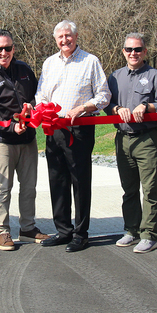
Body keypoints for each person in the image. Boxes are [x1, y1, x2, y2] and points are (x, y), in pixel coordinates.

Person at [36, 20, 110, 253]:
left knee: (79, 181)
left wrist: (83, 108)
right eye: (60, 37)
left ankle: (80, 233)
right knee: (57, 180)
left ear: (76, 37)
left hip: (79, 130)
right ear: (55, 39)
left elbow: (104, 95)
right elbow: (41, 94)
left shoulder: (90, 61)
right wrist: (42, 109)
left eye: (68, 36)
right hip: (53, 129)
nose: (64, 40)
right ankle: (63, 230)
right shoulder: (49, 63)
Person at [0, 30, 49, 252]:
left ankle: (27, 228)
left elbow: (38, 95)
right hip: (2, 142)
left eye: (8, 48)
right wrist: (8, 124)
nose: (4, 52)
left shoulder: (25, 70)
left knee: (29, 187)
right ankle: (3, 231)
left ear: (14, 48)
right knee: (3, 189)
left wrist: (31, 107)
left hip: (28, 140)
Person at [105, 32, 157, 254]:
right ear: (123, 51)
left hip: (146, 139)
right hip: (123, 139)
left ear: (145, 51)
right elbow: (106, 103)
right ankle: (131, 230)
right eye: (129, 49)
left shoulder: (155, 75)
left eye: (138, 49)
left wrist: (148, 106)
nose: (133, 53)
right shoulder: (115, 77)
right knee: (129, 189)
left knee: (150, 188)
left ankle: (149, 234)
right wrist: (116, 109)